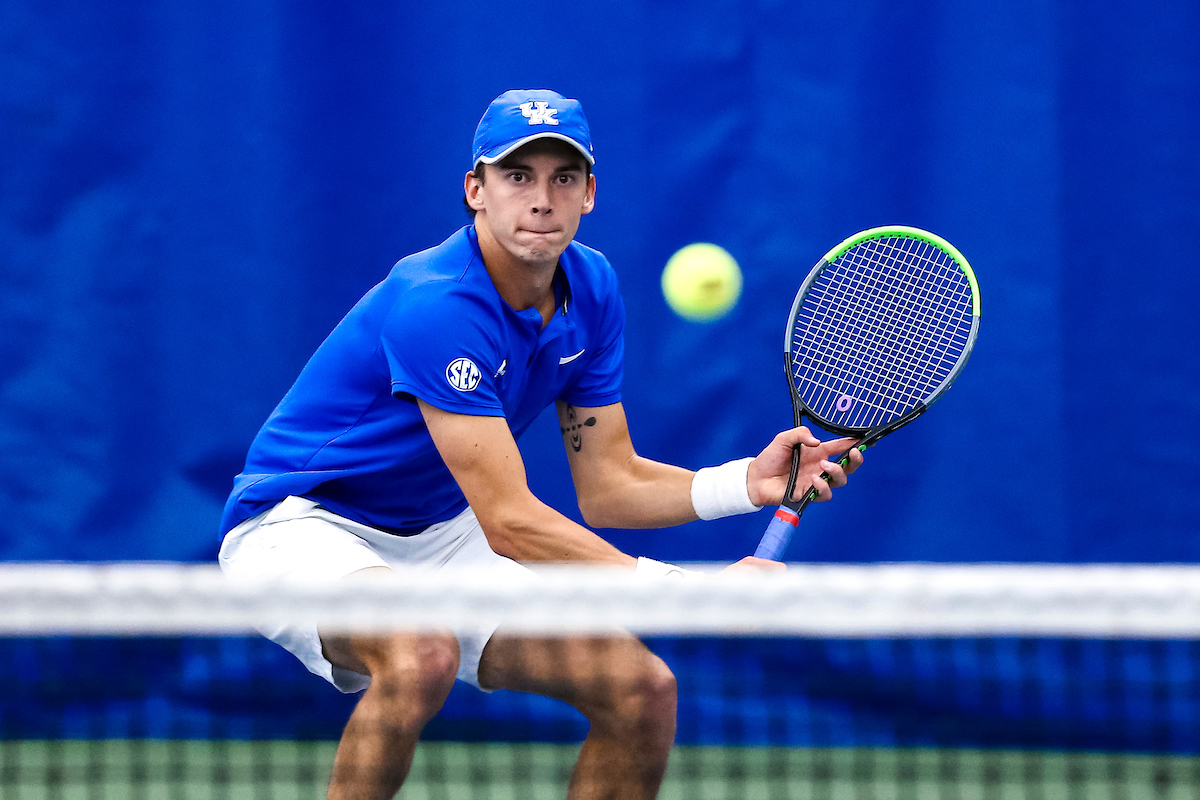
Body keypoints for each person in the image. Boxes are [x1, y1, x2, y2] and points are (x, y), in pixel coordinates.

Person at [217, 88, 862, 800]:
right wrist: (690, 592)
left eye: (563, 178)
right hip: (303, 526)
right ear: (476, 191)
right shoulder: (436, 306)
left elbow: (609, 484)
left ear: (589, 194)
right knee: (420, 651)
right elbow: (511, 522)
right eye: (517, 176)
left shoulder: (592, 288)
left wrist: (746, 483)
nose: (541, 199)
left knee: (641, 691)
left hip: (442, 531)